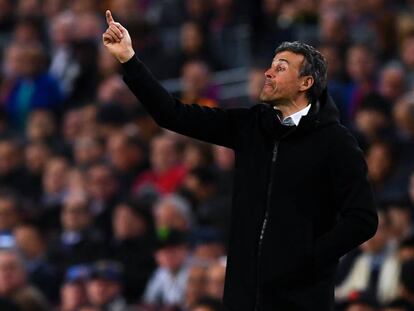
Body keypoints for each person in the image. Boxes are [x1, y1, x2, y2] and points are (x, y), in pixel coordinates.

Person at [103, 10, 378, 311]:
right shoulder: (250, 126)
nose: (268, 73)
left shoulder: (335, 141)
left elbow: (362, 219)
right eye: (271, 66)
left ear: (306, 82)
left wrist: (309, 258)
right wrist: (129, 59)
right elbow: (172, 114)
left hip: (300, 301)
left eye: (280, 68)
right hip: (242, 298)